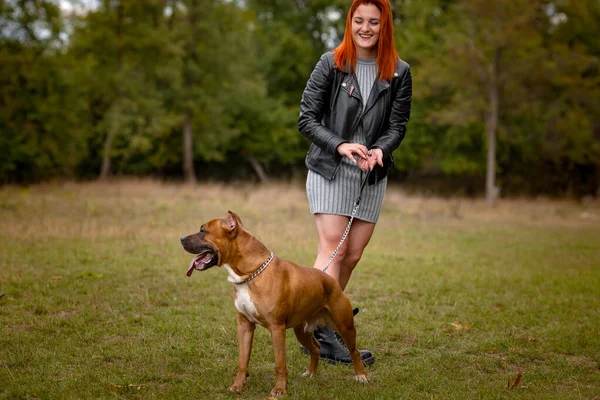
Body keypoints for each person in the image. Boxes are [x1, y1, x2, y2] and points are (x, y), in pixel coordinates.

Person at [298, 0, 412, 365]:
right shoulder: (330, 63)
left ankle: (317, 325)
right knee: (333, 246)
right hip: (330, 168)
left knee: (353, 254)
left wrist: (380, 149)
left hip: (371, 173)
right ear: (350, 22)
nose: (365, 28)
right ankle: (318, 329)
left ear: (385, 26)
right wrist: (341, 144)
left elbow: (397, 125)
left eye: (373, 22)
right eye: (359, 20)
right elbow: (307, 120)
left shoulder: (399, 71)